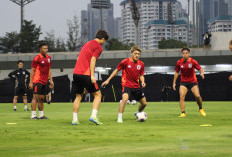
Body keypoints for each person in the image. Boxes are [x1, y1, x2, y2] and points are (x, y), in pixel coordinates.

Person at [72, 30, 109, 125]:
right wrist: (92, 75)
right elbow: (93, 60)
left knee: (78, 96)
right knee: (98, 95)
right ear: (103, 38)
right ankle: (93, 116)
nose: (104, 43)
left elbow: (78, 58)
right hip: (86, 74)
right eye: (105, 41)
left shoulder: (87, 44)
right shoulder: (98, 47)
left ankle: (75, 120)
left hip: (76, 73)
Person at [101, 46, 148, 123]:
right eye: (135, 53)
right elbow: (116, 71)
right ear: (131, 53)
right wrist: (108, 80)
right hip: (126, 85)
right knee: (125, 99)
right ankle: (119, 118)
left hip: (136, 86)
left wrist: (143, 81)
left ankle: (138, 113)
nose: (137, 55)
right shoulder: (125, 61)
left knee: (144, 104)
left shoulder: (141, 64)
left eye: (138, 54)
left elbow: (141, 75)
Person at [173, 48, 206, 117]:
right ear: (182, 54)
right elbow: (176, 73)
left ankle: (201, 109)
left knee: (197, 96)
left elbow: (200, 69)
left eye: (186, 53)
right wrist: (174, 83)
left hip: (192, 81)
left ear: (189, 54)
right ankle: (183, 113)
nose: (185, 55)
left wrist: (202, 73)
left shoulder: (193, 61)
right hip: (183, 82)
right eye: (183, 53)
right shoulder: (179, 62)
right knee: (181, 96)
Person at [29, 43, 54, 120]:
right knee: (35, 97)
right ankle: (33, 115)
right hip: (37, 80)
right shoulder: (37, 58)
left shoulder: (49, 58)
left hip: (45, 81)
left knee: (42, 98)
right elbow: (32, 70)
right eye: (44, 48)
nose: (46, 50)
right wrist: (30, 82)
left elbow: (49, 69)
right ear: (40, 49)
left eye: (46, 48)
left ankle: (41, 115)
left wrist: (51, 80)